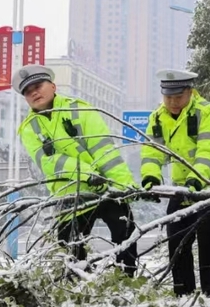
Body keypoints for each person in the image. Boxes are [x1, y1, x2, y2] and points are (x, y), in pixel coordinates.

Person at [16, 64, 141, 276]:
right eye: (28, 91)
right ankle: (80, 291)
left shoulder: (79, 109)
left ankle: (126, 282)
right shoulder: (28, 128)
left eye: (38, 86)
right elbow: (49, 162)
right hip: (70, 194)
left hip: (107, 187)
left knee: (126, 233)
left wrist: (126, 186)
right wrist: (87, 175)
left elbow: (105, 151)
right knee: (69, 248)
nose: (34, 92)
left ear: (53, 86)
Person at [141, 69, 210, 297]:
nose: (173, 102)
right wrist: (151, 176)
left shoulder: (207, 111)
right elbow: (152, 151)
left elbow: (208, 149)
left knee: (209, 234)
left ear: (190, 92)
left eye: (178, 97)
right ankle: (183, 291)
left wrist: (199, 178)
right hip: (183, 185)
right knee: (176, 233)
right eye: (168, 97)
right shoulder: (157, 117)